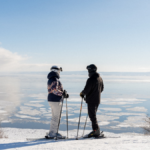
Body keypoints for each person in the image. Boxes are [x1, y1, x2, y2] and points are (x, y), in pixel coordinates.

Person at [80, 64, 104, 137]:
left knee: (92, 116)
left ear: (90, 70)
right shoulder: (99, 78)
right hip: (97, 100)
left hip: (91, 100)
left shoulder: (91, 79)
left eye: (88, 70)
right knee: (93, 116)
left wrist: (82, 93)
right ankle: (96, 130)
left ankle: (96, 130)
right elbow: (102, 89)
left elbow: (87, 89)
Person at [45, 66, 69, 139]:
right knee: (56, 117)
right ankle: (53, 133)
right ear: (56, 71)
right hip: (55, 100)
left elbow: (54, 90)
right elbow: (55, 90)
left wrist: (62, 93)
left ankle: (52, 131)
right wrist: (62, 94)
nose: (59, 73)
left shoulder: (51, 79)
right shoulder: (55, 79)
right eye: (59, 71)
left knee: (54, 116)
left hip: (52, 99)